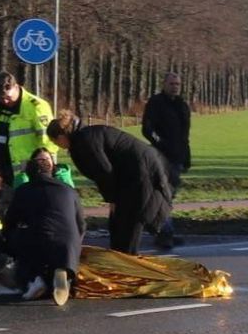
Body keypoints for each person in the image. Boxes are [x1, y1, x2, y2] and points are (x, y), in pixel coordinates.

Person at [46, 110, 173, 256]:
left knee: (128, 223)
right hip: (137, 171)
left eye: (55, 141)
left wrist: (112, 199)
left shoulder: (84, 142)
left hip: (139, 174)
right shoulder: (86, 136)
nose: (56, 145)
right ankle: (121, 258)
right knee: (121, 223)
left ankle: (126, 262)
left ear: (61, 136)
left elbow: (104, 172)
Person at [3, 148, 85, 305]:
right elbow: (81, 222)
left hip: (39, 241)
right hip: (69, 243)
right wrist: (76, 243)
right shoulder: (68, 189)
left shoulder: (23, 190)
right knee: (61, 247)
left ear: (30, 173)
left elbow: (10, 221)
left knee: (18, 236)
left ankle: (34, 278)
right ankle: (64, 272)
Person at [141, 71, 191, 249]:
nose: (175, 87)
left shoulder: (182, 106)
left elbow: (185, 135)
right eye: (171, 84)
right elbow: (147, 129)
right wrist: (160, 143)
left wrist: (187, 156)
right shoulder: (155, 103)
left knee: (170, 196)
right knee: (163, 194)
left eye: (177, 84)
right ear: (164, 84)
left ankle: (165, 231)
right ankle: (164, 232)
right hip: (160, 157)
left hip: (177, 158)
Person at [0, 71, 55, 186]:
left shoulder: (36, 106)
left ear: (16, 87)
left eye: (8, 97)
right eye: (1, 98)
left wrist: (45, 170)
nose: (5, 101)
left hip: (27, 173)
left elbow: (47, 141)